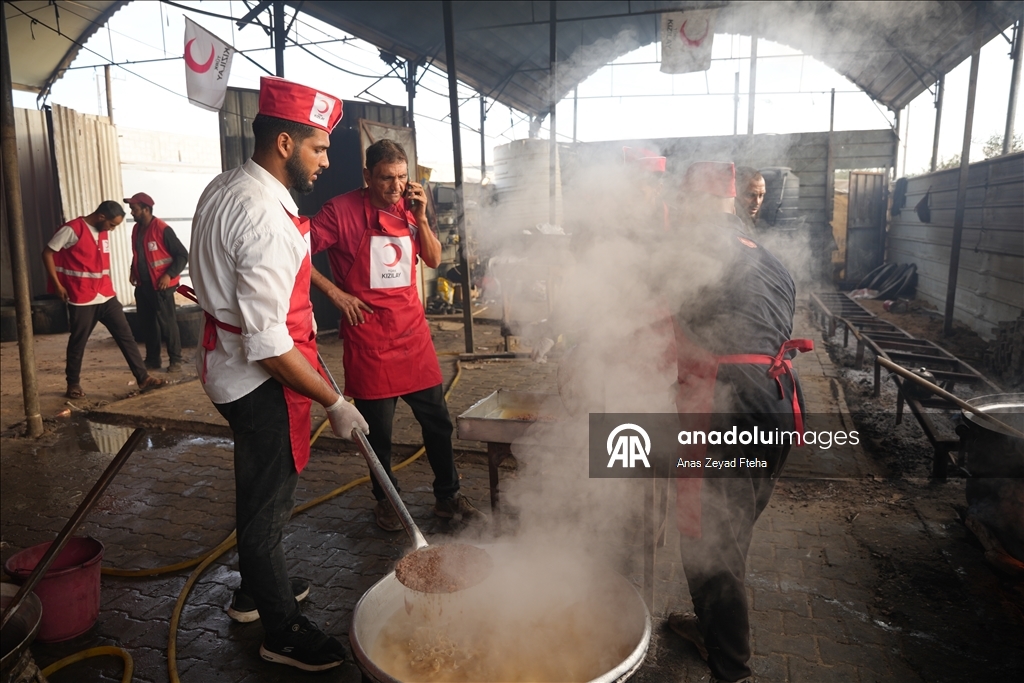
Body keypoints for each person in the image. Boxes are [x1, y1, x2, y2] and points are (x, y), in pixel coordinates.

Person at [189, 76, 368, 673]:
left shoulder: (229, 186)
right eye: (320, 148)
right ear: (285, 144)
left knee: (261, 493)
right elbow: (269, 346)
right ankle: (280, 629)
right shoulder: (264, 217)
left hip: (224, 365)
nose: (326, 160)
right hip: (257, 378)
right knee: (265, 505)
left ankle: (252, 593)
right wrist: (332, 401)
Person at [668, 161, 812, 683]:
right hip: (777, 402)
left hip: (730, 408)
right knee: (730, 530)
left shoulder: (692, 252)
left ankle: (732, 668)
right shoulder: (769, 258)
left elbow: (657, 333)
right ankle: (714, 628)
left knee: (707, 543)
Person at [309, 139, 484, 532]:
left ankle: (448, 497)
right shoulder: (340, 211)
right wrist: (336, 294)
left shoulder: (411, 205)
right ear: (367, 176)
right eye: (386, 178)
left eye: (403, 177)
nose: (396, 187)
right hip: (369, 339)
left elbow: (435, 259)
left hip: (413, 335)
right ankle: (387, 502)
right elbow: (293, 250)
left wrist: (421, 217)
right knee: (378, 435)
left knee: (437, 422)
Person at [42, 201, 165, 399]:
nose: (113, 229)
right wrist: (57, 285)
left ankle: (143, 378)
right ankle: (72, 384)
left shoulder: (103, 230)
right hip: (82, 297)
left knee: (126, 337)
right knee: (78, 342)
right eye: (112, 225)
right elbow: (47, 252)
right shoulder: (72, 230)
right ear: (101, 217)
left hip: (106, 295)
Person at [126, 192, 189, 373]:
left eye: (134, 209)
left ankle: (176, 360)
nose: (132, 212)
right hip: (143, 285)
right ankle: (153, 359)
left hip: (161, 286)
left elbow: (182, 255)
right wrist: (133, 270)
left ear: (146, 209)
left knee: (167, 324)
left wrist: (168, 275)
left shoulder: (162, 229)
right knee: (148, 324)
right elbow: (139, 253)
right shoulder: (137, 229)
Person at [734, 166, 766, 233]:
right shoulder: (728, 224)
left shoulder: (755, 222)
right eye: (751, 195)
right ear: (736, 192)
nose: (757, 202)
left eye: (761, 195)